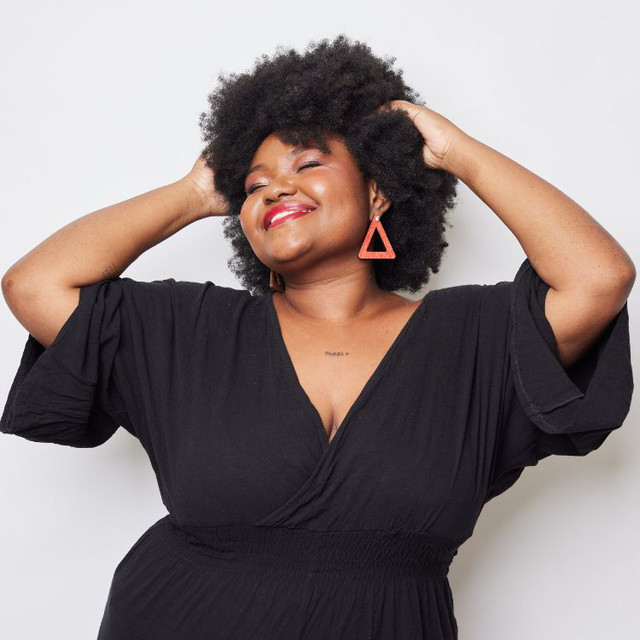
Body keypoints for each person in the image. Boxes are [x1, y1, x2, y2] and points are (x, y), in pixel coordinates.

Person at [0, 34, 634, 640]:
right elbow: (35, 286)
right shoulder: (188, 328)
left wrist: (456, 152)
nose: (276, 186)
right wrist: (192, 194)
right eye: (253, 184)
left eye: (308, 163)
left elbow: (599, 278)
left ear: (378, 194)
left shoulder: (473, 338)